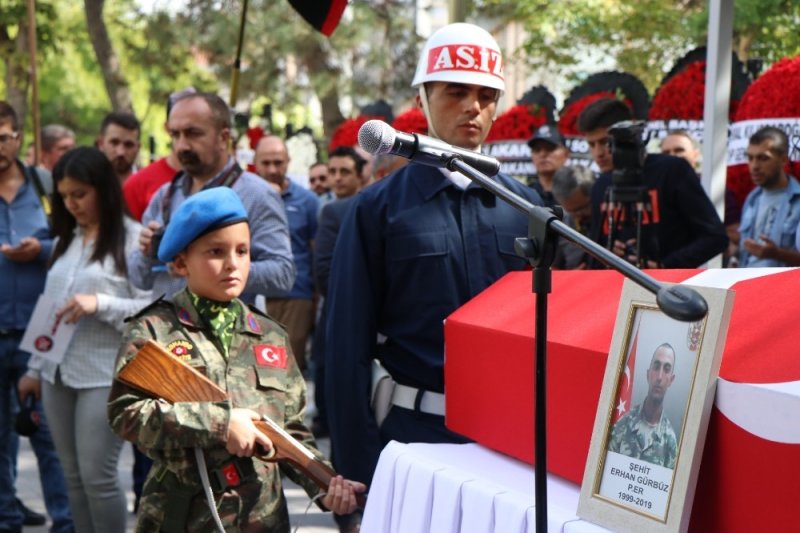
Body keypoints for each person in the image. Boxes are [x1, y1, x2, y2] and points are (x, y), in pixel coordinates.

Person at [324, 22, 544, 518]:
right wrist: (357, 472)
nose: (474, 107)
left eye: (487, 95)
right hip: (413, 442)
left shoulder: (528, 208)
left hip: (513, 443)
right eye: (457, 91)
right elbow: (344, 349)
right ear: (422, 98)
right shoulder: (377, 210)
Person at [108, 187, 366, 532]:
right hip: (182, 515)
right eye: (216, 252)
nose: (233, 264)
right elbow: (125, 415)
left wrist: (325, 485)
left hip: (263, 517)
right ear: (181, 263)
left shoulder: (270, 334)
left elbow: (288, 431)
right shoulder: (153, 329)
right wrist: (219, 423)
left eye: (242, 251)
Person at [17, 146, 152, 532]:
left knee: (98, 477)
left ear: (103, 189)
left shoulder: (134, 241)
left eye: (80, 194)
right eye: (64, 196)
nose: (72, 204)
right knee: (72, 476)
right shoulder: (67, 239)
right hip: (56, 372)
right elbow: (52, 308)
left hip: (105, 375)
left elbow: (152, 310)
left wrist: (101, 303)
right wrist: (34, 367)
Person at [128, 91, 295, 303]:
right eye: (175, 135)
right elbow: (138, 279)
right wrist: (147, 252)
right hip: (165, 331)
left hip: (224, 334)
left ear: (224, 138)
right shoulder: (164, 196)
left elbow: (283, 275)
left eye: (193, 133)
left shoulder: (258, 195)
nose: (182, 146)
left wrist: (214, 266)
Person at [0, 101, 73, 533]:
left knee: (47, 436)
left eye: (5, 136)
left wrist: (40, 250)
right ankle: (6, 517)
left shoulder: (45, 185)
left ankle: (66, 523)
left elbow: (74, 241)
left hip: (40, 332)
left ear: (19, 137)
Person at [579, 98, 728, 268]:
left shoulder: (672, 170)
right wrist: (609, 254)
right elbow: (594, 256)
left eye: (605, 142)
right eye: (591, 144)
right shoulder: (601, 186)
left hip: (672, 288)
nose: (598, 153)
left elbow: (715, 238)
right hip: (618, 289)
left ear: (629, 133)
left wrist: (663, 267)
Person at [253, 135, 320, 371]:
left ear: (288, 162)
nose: (272, 169)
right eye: (266, 163)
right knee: (251, 369)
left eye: (278, 162)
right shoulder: (243, 197)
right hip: (251, 293)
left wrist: (315, 299)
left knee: (286, 368)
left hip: (295, 294)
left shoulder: (308, 201)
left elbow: (315, 252)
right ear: (255, 162)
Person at [660, 129, 741, 265]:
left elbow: (736, 235)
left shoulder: (718, 188)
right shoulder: (654, 191)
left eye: (679, 150)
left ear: (695, 155)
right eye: (666, 153)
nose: (673, 156)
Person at [123, 88, 195, 222]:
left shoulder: (223, 182)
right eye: (178, 129)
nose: (185, 138)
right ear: (168, 128)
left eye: (193, 129)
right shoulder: (137, 185)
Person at [608, 343, 679, 469]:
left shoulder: (670, 442)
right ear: (648, 374)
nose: (659, 377)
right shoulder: (622, 425)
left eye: (666, 369)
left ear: (671, 380)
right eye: (656, 367)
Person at [738, 126, 800, 267]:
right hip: (747, 284)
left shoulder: (797, 200)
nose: (754, 166)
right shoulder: (752, 199)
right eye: (750, 158)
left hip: (786, 287)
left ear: (783, 160)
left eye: (763, 158)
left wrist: (776, 254)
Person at [551, 164, 596, 269]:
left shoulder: (611, 218)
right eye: (571, 211)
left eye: (583, 208)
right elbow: (554, 270)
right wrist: (572, 278)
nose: (578, 216)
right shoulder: (559, 225)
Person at [527, 124, 569, 207]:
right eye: (537, 150)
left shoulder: (577, 193)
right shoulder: (524, 194)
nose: (542, 154)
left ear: (566, 154)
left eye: (550, 148)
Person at [96, 111, 141, 182]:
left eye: (128, 145)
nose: (121, 152)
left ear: (138, 147)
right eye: (114, 143)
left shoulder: (152, 186)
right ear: (101, 143)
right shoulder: (86, 183)